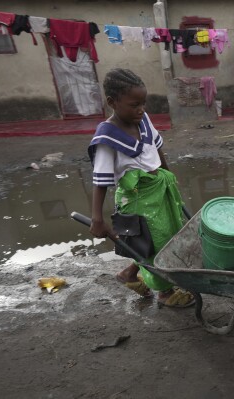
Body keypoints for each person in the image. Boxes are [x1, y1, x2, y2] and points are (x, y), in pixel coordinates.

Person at [87, 68, 194, 308]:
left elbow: (157, 149)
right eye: (134, 104)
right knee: (153, 241)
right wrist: (97, 218)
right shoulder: (107, 137)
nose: (141, 109)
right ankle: (165, 293)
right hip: (138, 199)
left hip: (160, 190)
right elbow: (101, 179)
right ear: (113, 102)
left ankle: (129, 273)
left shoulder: (142, 119)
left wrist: (169, 176)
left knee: (165, 237)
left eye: (143, 103)